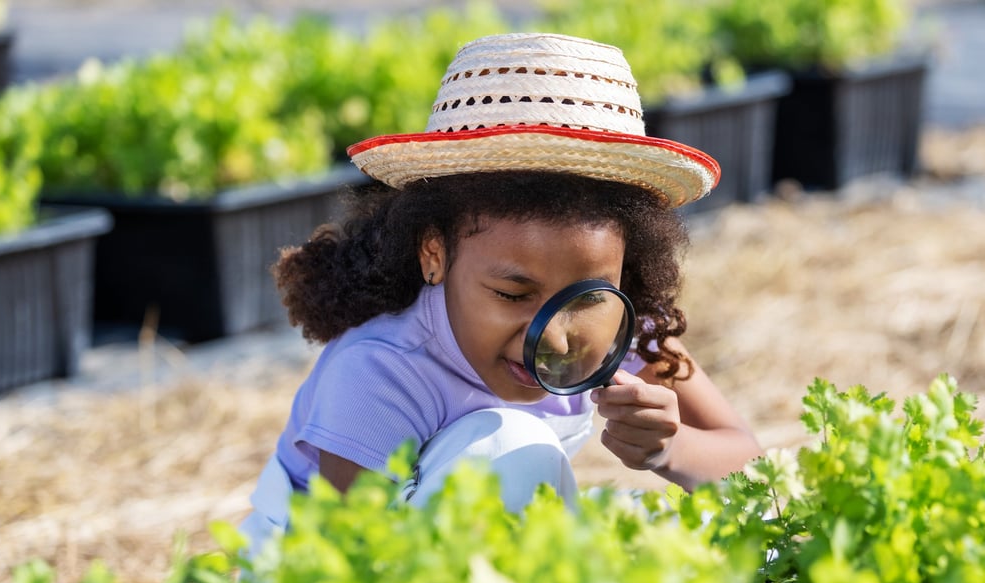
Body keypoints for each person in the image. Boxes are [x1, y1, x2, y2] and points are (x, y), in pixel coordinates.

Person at [240, 31, 763, 552]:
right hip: (324, 569)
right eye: (513, 295)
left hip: (484, 561)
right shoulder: (382, 373)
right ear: (434, 253)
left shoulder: (624, 330)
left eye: (588, 297)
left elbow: (752, 471)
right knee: (513, 445)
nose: (555, 341)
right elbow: (345, 565)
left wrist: (669, 447)